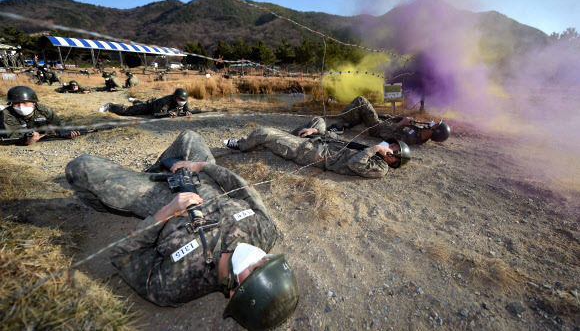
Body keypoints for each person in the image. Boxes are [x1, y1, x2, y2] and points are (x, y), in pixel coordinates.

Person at [65, 130, 299, 329]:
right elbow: (243, 189)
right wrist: (204, 166)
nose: (260, 257)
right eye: (267, 260)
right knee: (189, 136)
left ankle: (136, 183)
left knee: (80, 167)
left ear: (233, 291)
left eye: (257, 268)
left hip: (154, 198)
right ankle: (159, 168)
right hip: (198, 178)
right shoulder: (264, 231)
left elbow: (121, 255)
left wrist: (165, 213)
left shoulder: (176, 284)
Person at [223, 116, 411, 178]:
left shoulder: (381, 168)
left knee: (262, 132)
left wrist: (375, 149)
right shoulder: (374, 152)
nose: (389, 147)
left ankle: (242, 145)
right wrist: (317, 132)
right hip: (322, 142)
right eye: (391, 145)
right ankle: (284, 138)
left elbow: (355, 163)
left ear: (394, 160)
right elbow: (343, 143)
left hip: (312, 152)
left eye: (393, 150)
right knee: (318, 121)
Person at [326, 96, 451, 145]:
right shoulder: (421, 130)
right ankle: (347, 124)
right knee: (367, 113)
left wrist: (401, 123)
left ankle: (340, 123)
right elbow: (402, 122)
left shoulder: (410, 138)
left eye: (434, 126)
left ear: (433, 133)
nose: (431, 123)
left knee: (361, 101)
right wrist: (393, 118)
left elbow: (387, 136)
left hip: (378, 129)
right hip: (383, 125)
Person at [0, 86, 79, 145]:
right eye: (16, 103)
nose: (20, 106)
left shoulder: (44, 110)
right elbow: (11, 136)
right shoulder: (6, 114)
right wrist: (27, 141)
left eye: (24, 103)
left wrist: (66, 134)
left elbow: (59, 125)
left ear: (33, 102)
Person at [98, 88, 193, 117]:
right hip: (151, 105)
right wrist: (168, 113)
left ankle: (135, 101)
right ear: (175, 98)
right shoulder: (166, 101)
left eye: (184, 100)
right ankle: (110, 106)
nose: (182, 102)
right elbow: (158, 114)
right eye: (180, 99)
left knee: (139, 103)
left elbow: (187, 110)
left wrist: (187, 112)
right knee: (128, 111)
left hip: (155, 103)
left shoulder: (184, 99)